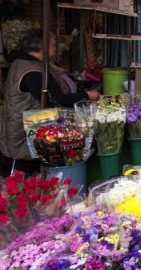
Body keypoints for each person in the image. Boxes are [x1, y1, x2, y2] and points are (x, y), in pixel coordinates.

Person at [1, 29, 100, 174]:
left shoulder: (25, 62)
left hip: (23, 130)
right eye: (53, 45)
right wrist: (86, 95)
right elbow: (57, 100)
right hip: (22, 134)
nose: (55, 49)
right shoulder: (32, 72)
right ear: (42, 48)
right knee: (21, 176)